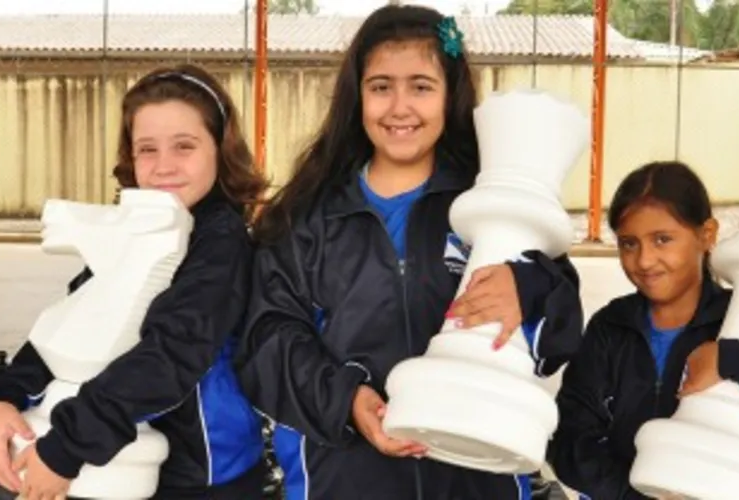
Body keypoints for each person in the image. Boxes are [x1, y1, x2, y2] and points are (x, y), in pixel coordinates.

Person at [235, 5, 584, 500]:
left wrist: (525, 287)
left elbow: (559, 337)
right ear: (357, 96)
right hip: (343, 480)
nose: (400, 108)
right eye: (381, 87)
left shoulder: (494, 202)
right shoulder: (304, 220)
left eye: (421, 87)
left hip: (476, 477)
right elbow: (267, 342)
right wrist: (346, 400)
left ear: (449, 96)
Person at [0, 63, 270, 500]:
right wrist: (8, 396)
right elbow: (80, 321)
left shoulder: (223, 246)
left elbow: (172, 354)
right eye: (147, 149)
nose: (164, 166)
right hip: (119, 465)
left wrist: (66, 449)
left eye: (184, 146)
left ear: (220, 149)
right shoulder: (138, 229)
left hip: (202, 480)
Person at [548, 161, 739, 499]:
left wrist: (731, 359)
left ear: (707, 235)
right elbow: (570, 442)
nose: (644, 260)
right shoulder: (610, 328)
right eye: (629, 243)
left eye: (662, 239)